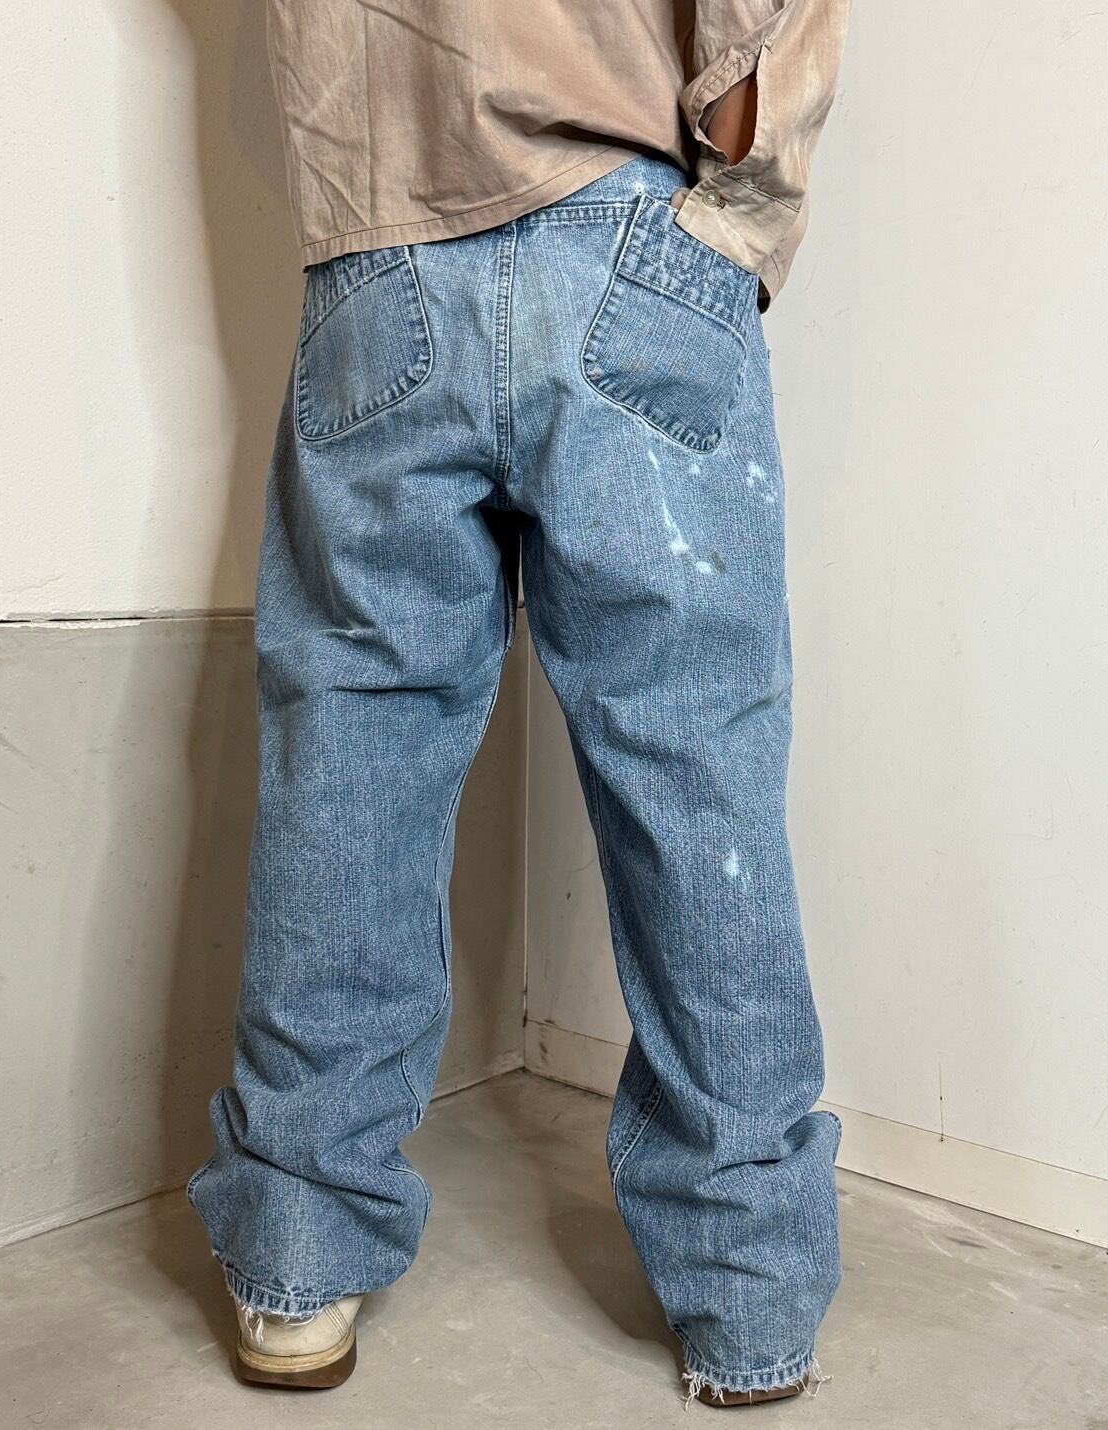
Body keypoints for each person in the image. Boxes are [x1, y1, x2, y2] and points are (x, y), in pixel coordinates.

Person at [187, 0, 851, 1410]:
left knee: (349, 751)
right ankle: (746, 1295)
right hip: (627, 233)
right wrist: (739, 207)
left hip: (375, 258)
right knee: (694, 766)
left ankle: (297, 1258)